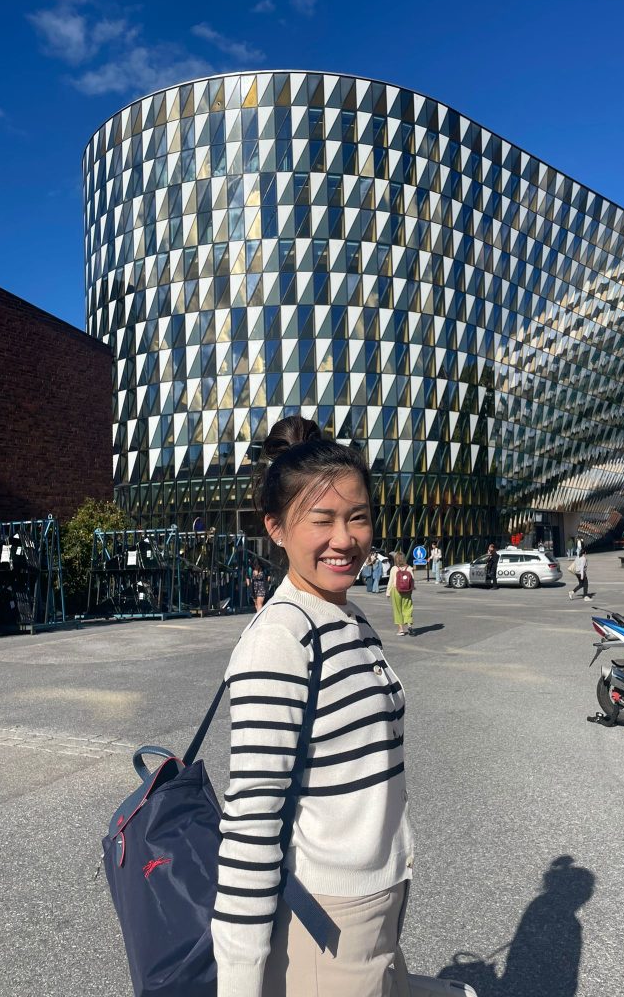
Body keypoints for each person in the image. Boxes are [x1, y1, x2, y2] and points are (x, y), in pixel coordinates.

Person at [212, 414, 414, 997]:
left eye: (358, 518)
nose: (344, 538)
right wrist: (240, 981)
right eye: (321, 520)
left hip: (375, 901)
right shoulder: (280, 639)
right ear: (276, 529)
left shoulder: (347, 618)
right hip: (329, 922)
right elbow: (250, 822)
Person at [386, 551, 415, 636]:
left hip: (396, 590)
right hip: (407, 591)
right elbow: (412, 580)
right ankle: (409, 625)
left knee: (397, 609)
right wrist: (411, 590)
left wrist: (388, 592)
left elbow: (390, 581)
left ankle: (401, 630)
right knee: (408, 608)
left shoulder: (394, 569)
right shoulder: (410, 568)